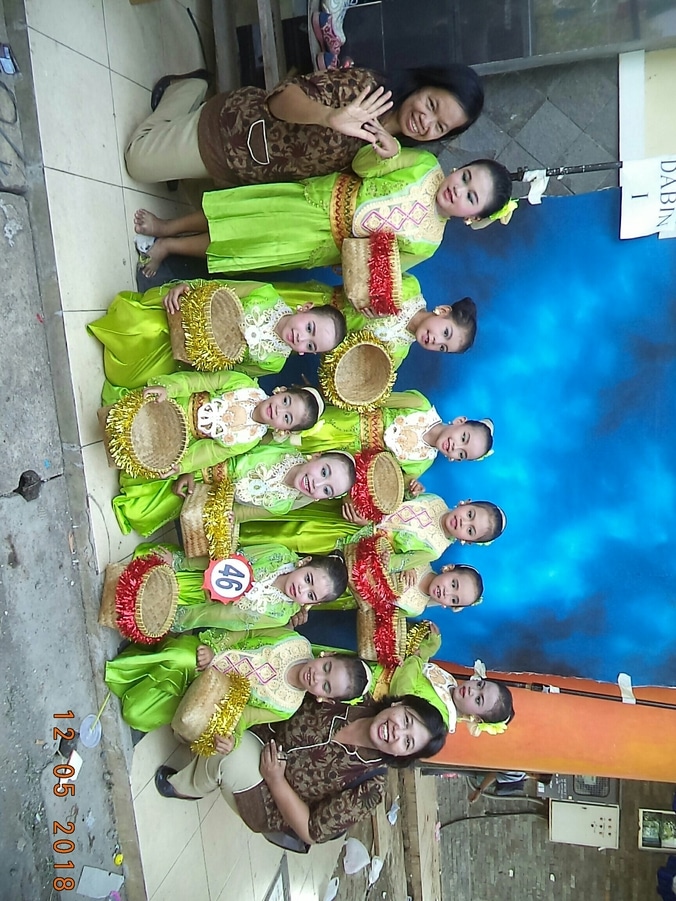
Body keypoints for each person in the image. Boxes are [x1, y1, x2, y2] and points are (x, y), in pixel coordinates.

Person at [133, 141, 512, 276]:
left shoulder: (429, 243)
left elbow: (380, 270)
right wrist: (385, 154)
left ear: (472, 217)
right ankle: (167, 226)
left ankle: (170, 246)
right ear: (460, 167)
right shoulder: (425, 165)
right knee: (239, 213)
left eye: (471, 197)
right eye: (466, 177)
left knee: (241, 243)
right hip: (315, 199)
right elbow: (362, 165)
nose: (459, 189)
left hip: (318, 243)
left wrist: (356, 269)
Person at [153, 692, 448, 846]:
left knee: (229, 757)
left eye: (407, 742)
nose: (397, 732)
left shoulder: (370, 787)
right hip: (259, 730)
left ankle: (186, 786)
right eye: (406, 720)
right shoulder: (352, 695)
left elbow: (311, 832)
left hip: (269, 797)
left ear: (401, 756)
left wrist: (276, 780)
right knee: (217, 712)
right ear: (399, 703)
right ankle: (198, 746)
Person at [123, 65, 484, 187]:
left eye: (440, 127)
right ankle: (190, 87)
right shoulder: (364, 88)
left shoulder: (394, 154)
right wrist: (329, 116)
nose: (425, 122)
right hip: (235, 132)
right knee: (138, 162)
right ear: (423, 84)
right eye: (431, 104)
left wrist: (387, 160)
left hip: (249, 175)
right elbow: (281, 100)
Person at [87, 278, 346, 403]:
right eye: (309, 327)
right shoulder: (265, 294)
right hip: (187, 316)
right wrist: (187, 287)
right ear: (305, 307)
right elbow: (219, 286)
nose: (301, 337)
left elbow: (233, 371)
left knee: (135, 375)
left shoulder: (274, 362)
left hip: (190, 354)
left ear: (305, 353)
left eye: (310, 345)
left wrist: (200, 360)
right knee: (148, 328)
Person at [105, 626, 369, 739]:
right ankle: (128, 668)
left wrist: (232, 739)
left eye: (325, 686)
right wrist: (214, 651)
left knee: (136, 714)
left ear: (324, 698)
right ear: (327, 655)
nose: (317, 677)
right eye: (326, 668)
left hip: (205, 696)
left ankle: (139, 688)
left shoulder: (286, 706)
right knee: (180, 659)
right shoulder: (294, 642)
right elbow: (248, 631)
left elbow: (245, 717)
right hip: (205, 656)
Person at [112, 443, 357, 537]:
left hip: (205, 496)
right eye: (323, 472)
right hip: (202, 464)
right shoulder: (281, 447)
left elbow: (248, 513)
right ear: (316, 456)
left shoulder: (284, 503)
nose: (317, 483)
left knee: (140, 513)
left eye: (326, 490)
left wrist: (229, 516)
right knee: (147, 469)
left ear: (321, 499)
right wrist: (192, 468)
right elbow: (230, 446)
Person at [121, 376, 322, 478]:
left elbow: (210, 453)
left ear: (284, 430)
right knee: (131, 414)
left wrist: (182, 466)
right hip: (174, 402)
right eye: (286, 401)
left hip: (180, 438)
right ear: (282, 390)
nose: (279, 410)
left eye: (286, 417)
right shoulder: (244, 385)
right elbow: (202, 381)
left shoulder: (249, 439)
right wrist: (170, 389)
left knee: (143, 446)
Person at [297, 389, 493, 483]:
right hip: (343, 420)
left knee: (303, 463)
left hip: (343, 459)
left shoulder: (421, 464)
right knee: (300, 427)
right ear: (459, 421)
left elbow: (388, 484)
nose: (456, 446)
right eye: (463, 438)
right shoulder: (420, 405)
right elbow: (375, 397)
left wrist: (410, 490)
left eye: (461, 454)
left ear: (454, 459)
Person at [333, 280, 478, 366]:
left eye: (442, 348)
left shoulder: (396, 355)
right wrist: (374, 301)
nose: (436, 341)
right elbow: (364, 274)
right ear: (443, 310)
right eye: (446, 333)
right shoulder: (410, 288)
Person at [396, 562, 484, 617]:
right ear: (448, 569)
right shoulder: (420, 561)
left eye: (453, 600)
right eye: (453, 584)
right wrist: (407, 563)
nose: (447, 593)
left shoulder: (416, 609)